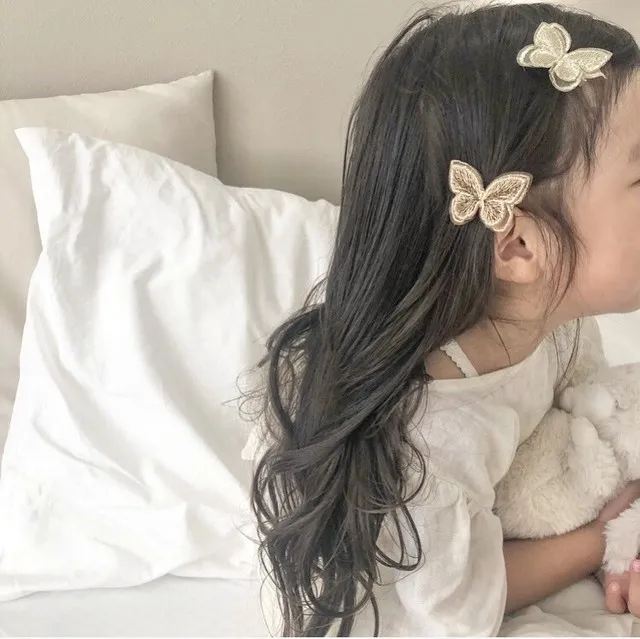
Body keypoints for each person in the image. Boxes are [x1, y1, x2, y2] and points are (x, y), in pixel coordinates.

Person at [245, 2, 640, 635]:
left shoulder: (556, 317)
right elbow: (464, 606)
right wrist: (606, 535)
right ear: (519, 246)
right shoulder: (434, 443)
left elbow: (584, 418)